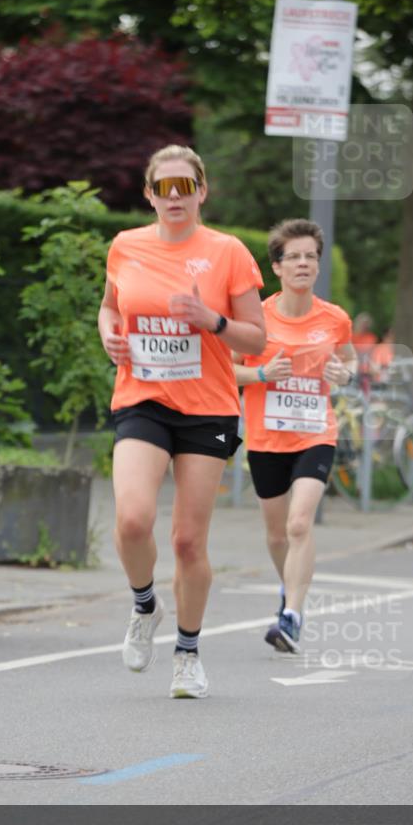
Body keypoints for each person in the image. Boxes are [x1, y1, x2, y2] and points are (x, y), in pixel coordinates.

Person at [98, 145, 265, 698]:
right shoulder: (125, 246)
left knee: (189, 541)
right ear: (148, 194)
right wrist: (108, 333)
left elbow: (258, 338)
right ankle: (145, 604)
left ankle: (188, 654)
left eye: (184, 187)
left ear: (201, 191)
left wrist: (211, 319)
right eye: (163, 188)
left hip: (208, 408)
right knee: (131, 520)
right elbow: (109, 306)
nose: (174, 197)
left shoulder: (228, 252)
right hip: (142, 398)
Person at [233, 218, 356, 653]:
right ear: (278, 268)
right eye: (295, 257)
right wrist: (261, 373)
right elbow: (225, 368)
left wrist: (343, 373)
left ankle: (293, 615)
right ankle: (289, 589)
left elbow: (348, 364)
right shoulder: (256, 320)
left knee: (300, 522)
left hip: (315, 434)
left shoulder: (335, 319)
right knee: (277, 535)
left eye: (311, 257)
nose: (304, 264)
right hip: (266, 438)